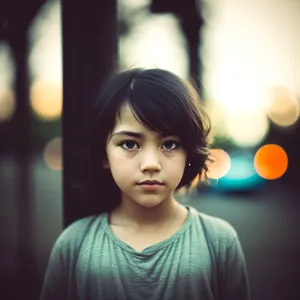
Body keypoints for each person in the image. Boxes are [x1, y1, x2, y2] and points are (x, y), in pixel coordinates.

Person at [40, 68, 251, 300]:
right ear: (103, 154)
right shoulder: (74, 244)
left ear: (188, 153)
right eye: (130, 144)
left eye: (170, 144)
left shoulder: (219, 241)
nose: (151, 164)